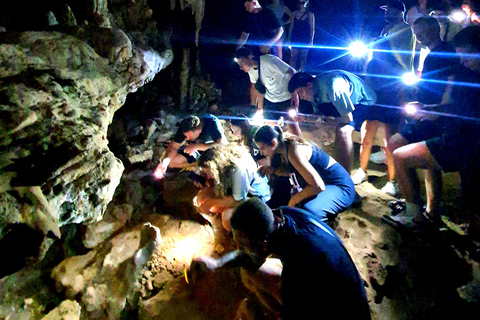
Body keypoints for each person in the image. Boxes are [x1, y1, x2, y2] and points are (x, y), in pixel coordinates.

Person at [191, 198, 371, 320]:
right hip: (330, 285)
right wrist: (218, 263)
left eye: (244, 245)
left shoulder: (300, 262)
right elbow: (250, 257)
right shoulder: (286, 215)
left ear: (263, 245)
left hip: (344, 310)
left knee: (251, 308)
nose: (240, 249)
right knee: (249, 269)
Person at [383, 26, 480, 229]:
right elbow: (457, 104)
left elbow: (467, 111)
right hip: (455, 131)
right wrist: (430, 108)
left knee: (401, 156)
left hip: (465, 141)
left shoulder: (458, 66)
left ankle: (416, 216)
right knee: (400, 148)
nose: (462, 61)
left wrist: (437, 113)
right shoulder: (468, 71)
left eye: (466, 57)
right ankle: (426, 211)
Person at [385, 16, 458, 220]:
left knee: (396, 145)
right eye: (416, 34)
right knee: (427, 162)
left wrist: (438, 111)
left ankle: (414, 212)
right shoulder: (433, 52)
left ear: (435, 30)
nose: (418, 38)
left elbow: (450, 85)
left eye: (422, 33)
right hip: (427, 111)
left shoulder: (444, 52)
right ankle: (430, 210)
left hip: (433, 115)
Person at [254, 125, 355, 222]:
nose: (261, 152)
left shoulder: (293, 151)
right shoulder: (283, 143)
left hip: (339, 185)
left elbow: (318, 186)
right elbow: (292, 169)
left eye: (262, 148)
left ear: (273, 143)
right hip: (324, 182)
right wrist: (271, 170)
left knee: (308, 213)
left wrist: (293, 200)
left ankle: (323, 229)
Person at [288, 71, 377, 175]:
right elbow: (320, 116)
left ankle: (344, 177)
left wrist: (328, 124)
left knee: (343, 131)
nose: (301, 97)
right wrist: (305, 118)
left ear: (309, 85)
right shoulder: (313, 92)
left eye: (300, 92)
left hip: (364, 103)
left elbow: (347, 118)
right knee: (320, 126)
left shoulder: (333, 85)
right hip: (343, 104)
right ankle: (331, 168)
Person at [196, 144, 271, 230]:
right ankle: (218, 221)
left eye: (208, 173)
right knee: (202, 197)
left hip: (256, 198)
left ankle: (236, 232)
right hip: (238, 194)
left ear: (212, 166)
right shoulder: (223, 165)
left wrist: (211, 203)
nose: (208, 176)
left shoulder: (238, 169)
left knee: (228, 217)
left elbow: (238, 200)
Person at [235, 47, 301, 136]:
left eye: (242, 64)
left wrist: (294, 93)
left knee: (292, 125)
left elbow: (291, 72)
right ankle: (279, 142)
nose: (241, 68)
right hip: (270, 100)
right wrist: (259, 108)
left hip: (285, 97)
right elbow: (258, 89)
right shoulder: (251, 71)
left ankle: (297, 143)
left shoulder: (269, 61)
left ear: (250, 58)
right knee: (272, 128)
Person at [153, 114, 228, 179]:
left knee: (212, 168)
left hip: (211, 153)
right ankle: (197, 166)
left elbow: (222, 144)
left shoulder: (212, 122)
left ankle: (204, 168)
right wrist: (165, 163)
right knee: (172, 162)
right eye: (185, 136)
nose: (187, 139)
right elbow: (174, 147)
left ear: (199, 130)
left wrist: (196, 146)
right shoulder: (186, 126)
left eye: (189, 136)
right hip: (196, 154)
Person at [288, 0, 315, 71]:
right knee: (293, 57)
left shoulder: (310, 15)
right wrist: (289, 38)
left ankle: (302, 73)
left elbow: (312, 29)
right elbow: (291, 26)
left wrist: (311, 40)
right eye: (300, 3)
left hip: (304, 38)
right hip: (295, 37)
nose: (301, 5)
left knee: (303, 58)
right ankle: (292, 73)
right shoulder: (295, 13)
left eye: (303, 3)